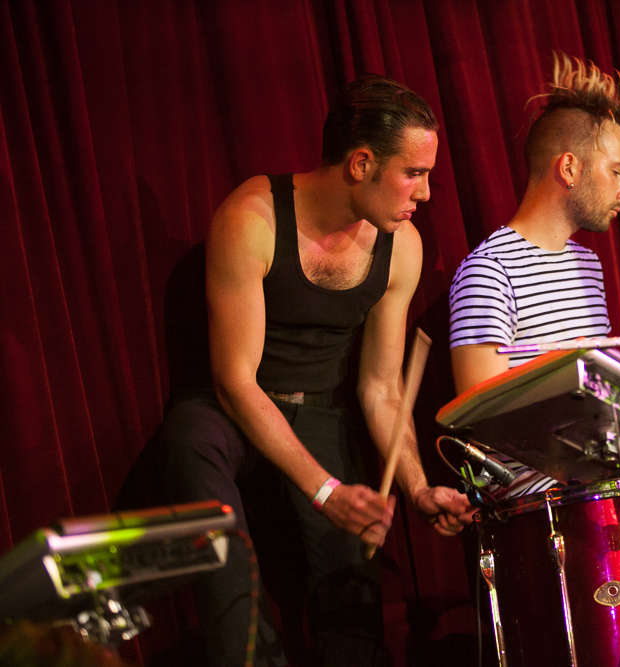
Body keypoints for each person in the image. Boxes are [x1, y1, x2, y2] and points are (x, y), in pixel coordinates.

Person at [157, 74, 474, 667]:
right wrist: (325, 490)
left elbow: (381, 386)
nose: (427, 193)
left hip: (321, 409)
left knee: (353, 598)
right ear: (361, 164)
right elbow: (235, 381)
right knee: (190, 441)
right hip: (234, 407)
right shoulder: (253, 219)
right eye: (414, 172)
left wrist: (416, 487)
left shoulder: (401, 246)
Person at [448, 54, 620, 496]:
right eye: (617, 172)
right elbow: (483, 424)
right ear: (569, 167)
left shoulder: (588, 265)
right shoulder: (489, 270)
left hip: (601, 492)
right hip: (541, 510)